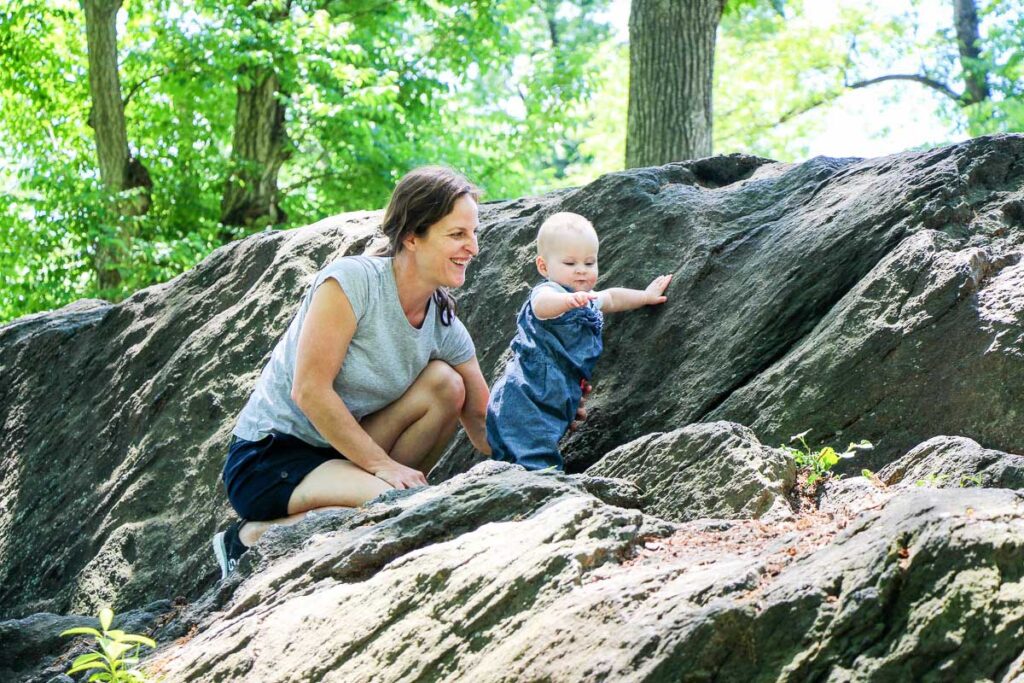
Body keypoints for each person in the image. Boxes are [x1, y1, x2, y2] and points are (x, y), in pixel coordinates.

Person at [213, 166, 491, 579]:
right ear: (412, 236)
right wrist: (383, 466)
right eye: (457, 234)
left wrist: (546, 416)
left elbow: (484, 424)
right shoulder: (352, 281)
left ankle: (375, 496)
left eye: (473, 233)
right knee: (399, 505)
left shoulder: (444, 325)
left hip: (344, 451)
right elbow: (309, 390)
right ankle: (248, 540)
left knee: (446, 384)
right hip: (271, 459)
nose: (473, 247)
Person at [486, 212, 672, 471]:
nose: (582, 270)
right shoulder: (549, 292)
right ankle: (542, 490)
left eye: (589, 262)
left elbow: (613, 298)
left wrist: (645, 296)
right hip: (528, 391)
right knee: (533, 452)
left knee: (535, 446)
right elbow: (541, 306)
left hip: (559, 393)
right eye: (570, 263)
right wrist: (565, 302)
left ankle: (522, 482)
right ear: (544, 267)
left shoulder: (589, 298)